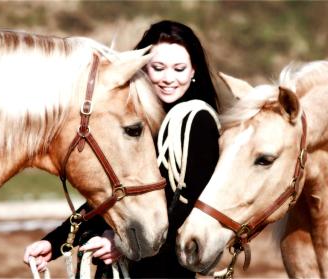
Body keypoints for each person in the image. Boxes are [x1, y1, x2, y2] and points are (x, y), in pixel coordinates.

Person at [23, 20, 220, 278]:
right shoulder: (137, 121)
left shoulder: (198, 121)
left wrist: (123, 245)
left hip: (162, 270)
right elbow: (114, 196)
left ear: (193, 70)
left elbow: (186, 209)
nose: (168, 78)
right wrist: (54, 244)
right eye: (158, 68)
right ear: (143, 70)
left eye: (179, 68)